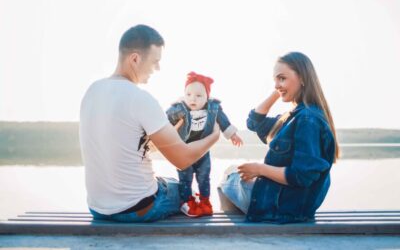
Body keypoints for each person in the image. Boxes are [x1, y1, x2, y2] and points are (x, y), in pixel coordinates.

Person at [79, 24, 220, 223]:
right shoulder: (140, 98)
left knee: (164, 181)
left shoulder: (92, 91)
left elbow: (122, 146)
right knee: (182, 187)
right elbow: (183, 160)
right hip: (139, 209)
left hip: (98, 208)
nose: (158, 68)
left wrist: (158, 139)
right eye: (155, 61)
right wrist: (214, 136)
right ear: (135, 59)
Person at [219, 51, 339, 223]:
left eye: (282, 78)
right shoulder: (293, 116)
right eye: (275, 80)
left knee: (229, 177)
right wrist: (279, 89)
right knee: (232, 172)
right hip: (288, 205)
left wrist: (259, 169)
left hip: (283, 208)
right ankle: (244, 226)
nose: (276, 84)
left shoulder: (307, 119)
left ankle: (238, 232)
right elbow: (254, 122)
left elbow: (301, 176)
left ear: (303, 78)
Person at [166, 71, 243, 217]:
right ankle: (187, 201)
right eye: (188, 94)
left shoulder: (213, 108)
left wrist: (232, 134)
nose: (192, 99)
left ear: (207, 96)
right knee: (185, 178)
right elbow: (164, 120)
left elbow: (223, 121)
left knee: (204, 177)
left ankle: (205, 200)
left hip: (203, 152)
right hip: (184, 151)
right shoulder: (178, 108)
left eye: (198, 95)